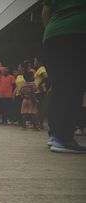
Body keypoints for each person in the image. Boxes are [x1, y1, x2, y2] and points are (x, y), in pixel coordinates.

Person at [42, 0, 86, 153]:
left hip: (54, 36)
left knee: (60, 86)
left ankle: (56, 135)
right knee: (73, 87)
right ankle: (63, 138)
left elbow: (45, 13)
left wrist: (53, 32)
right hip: (77, 34)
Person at [33, 56, 49, 129]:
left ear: (39, 62)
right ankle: (39, 124)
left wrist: (39, 84)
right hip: (37, 91)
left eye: (35, 61)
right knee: (38, 107)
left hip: (40, 91)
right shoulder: (38, 70)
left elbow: (45, 76)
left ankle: (40, 124)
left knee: (39, 107)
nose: (34, 62)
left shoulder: (42, 68)